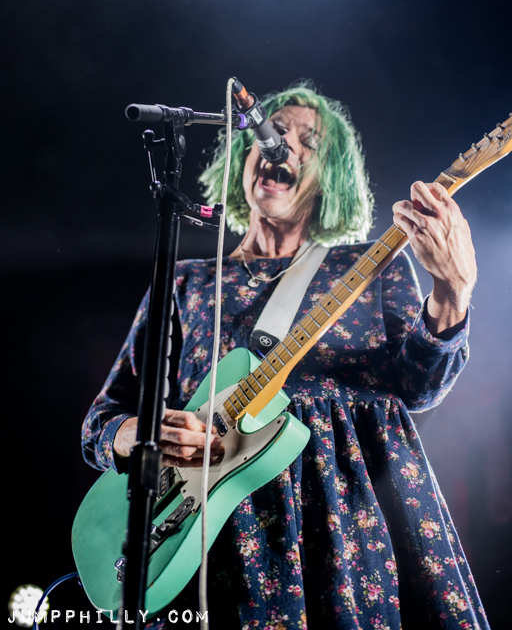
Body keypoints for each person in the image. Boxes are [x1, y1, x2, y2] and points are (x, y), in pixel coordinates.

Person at [82, 83, 489, 630]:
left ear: (329, 178)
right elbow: (103, 418)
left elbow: (420, 388)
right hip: (207, 532)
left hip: (343, 523)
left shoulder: (371, 266)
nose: (284, 145)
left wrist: (453, 291)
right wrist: (137, 434)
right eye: (272, 132)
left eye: (309, 143)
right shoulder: (187, 282)